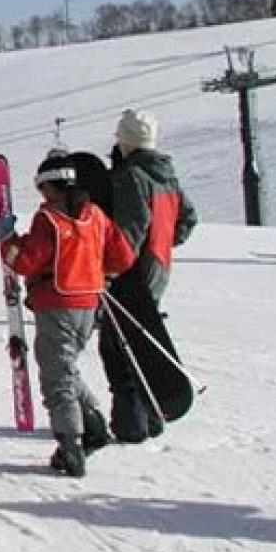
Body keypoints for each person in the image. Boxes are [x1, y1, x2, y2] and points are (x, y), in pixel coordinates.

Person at [0, 154, 136, 476]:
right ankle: (93, 423)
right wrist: (96, 270)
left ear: (51, 185)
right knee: (65, 365)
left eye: (41, 187)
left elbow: (25, 261)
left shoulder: (50, 219)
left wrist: (7, 239)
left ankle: (71, 444)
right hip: (89, 304)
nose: (41, 194)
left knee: (57, 375)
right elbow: (123, 257)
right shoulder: (95, 215)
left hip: (57, 303)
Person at [98, 108, 198, 442]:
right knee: (141, 341)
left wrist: (109, 269)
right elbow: (188, 219)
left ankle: (132, 420)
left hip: (132, 273)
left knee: (117, 345)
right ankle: (150, 413)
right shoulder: (166, 175)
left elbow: (130, 229)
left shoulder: (132, 176)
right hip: (158, 267)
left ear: (126, 141)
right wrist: (165, 242)